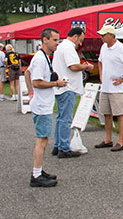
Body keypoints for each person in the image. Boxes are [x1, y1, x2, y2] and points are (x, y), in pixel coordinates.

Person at [24, 27, 67, 187]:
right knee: (42, 140)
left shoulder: (43, 57)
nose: (57, 43)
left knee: (44, 138)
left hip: (43, 103)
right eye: (55, 40)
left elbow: (28, 74)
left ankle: (39, 170)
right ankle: (36, 175)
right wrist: (56, 83)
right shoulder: (40, 59)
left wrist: (31, 93)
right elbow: (36, 81)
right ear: (45, 40)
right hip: (42, 106)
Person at [51, 27, 93, 158]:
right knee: (66, 119)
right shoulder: (68, 48)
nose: (80, 43)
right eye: (80, 40)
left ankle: (57, 145)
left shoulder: (61, 47)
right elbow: (73, 66)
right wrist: (86, 66)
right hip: (68, 87)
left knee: (60, 117)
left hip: (61, 87)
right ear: (75, 36)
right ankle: (64, 148)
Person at [94, 25, 123, 152]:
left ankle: (121, 141)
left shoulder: (121, 48)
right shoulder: (103, 47)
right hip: (106, 86)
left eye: (104, 35)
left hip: (117, 88)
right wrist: (101, 74)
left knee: (119, 114)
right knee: (106, 113)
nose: (101, 37)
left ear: (111, 35)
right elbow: (100, 61)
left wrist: (122, 78)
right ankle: (108, 139)